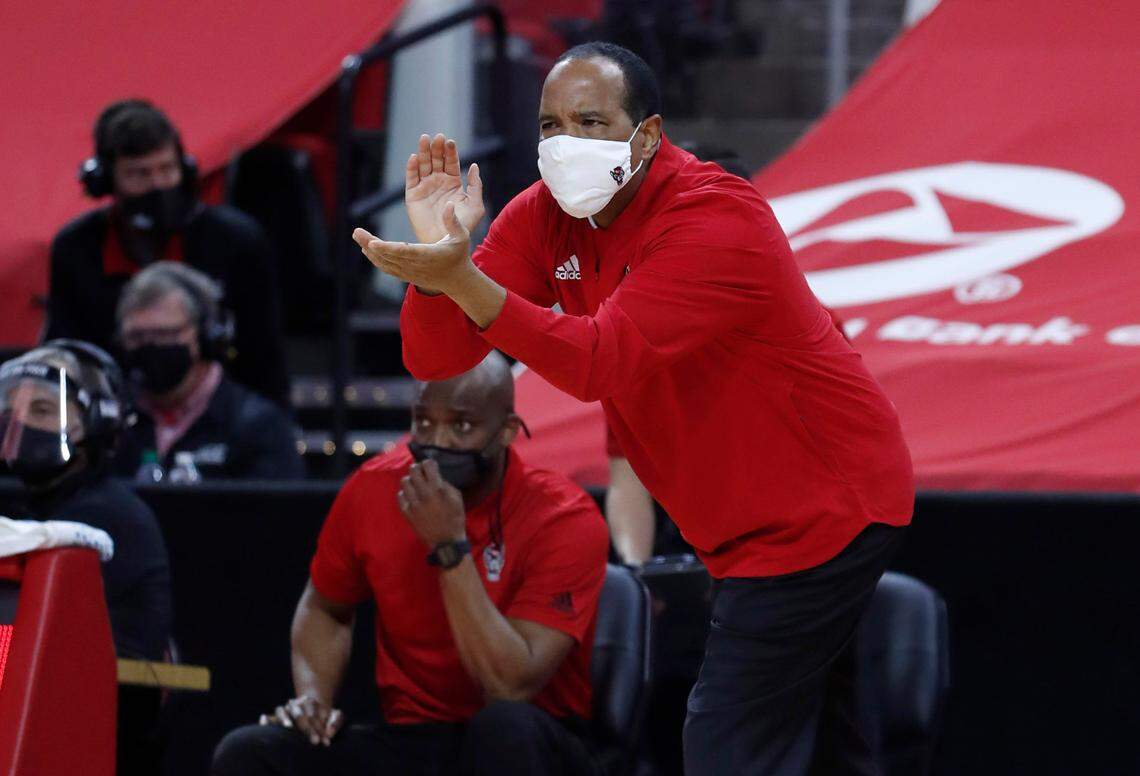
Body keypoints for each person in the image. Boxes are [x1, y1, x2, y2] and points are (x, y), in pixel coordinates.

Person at [354, 41, 915, 775]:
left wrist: (462, 281)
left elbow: (595, 361)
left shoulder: (715, 215)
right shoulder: (543, 216)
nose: (565, 144)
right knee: (824, 746)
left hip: (825, 509)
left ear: (646, 135)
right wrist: (437, 268)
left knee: (725, 747)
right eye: (550, 125)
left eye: (591, 121)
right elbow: (436, 361)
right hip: (741, 521)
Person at [212, 352, 609, 776]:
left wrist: (450, 546)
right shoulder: (372, 489)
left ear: (508, 431)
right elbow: (325, 607)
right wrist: (314, 698)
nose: (437, 442)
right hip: (414, 739)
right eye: (423, 422)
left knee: (502, 727)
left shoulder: (563, 516)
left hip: (535, 737)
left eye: (462, 426)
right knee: (249, 753)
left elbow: (511, 685)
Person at [45, 99, 290, 407]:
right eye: (139, 174)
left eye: (167, 169)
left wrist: (274, 430)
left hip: (223, 416)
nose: (157, 185)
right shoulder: (76, 247)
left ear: (184, 169)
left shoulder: (236, 241)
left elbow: (263, 355)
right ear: (105, 181)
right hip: (112, 411)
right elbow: (67, 353)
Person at [0, 340, 172, 774]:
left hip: (95, 734)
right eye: (10, 409)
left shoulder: (106, 518)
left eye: (41, 410)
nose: (18, 423)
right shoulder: (30, 508)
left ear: (99, 421)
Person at [113, 262, 305, 481]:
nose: (150, 346)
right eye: (136, 337)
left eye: (164, 334)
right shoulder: (111, 426)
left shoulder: (259, 426)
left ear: (205, 336)